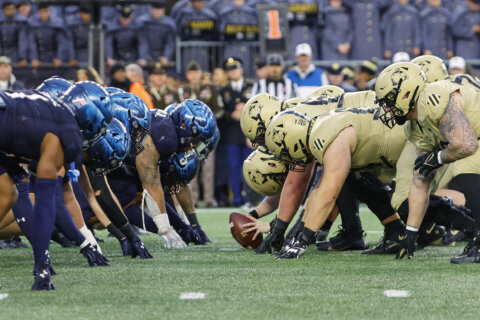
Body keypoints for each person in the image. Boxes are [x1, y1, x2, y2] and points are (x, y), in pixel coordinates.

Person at [375, 61, 480, 263]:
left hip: (474, 141)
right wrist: (411, 232)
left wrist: (438, 157)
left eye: (388, 101)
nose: (387, 108)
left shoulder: (432, 97)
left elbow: (466, 144)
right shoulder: (414, 127)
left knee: (464, 167)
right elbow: (421, 177)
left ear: (406, 94)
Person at [178, 61, 220, 207]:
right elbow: (176, 111)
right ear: (188, 75)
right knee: (191, 167)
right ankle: (193, 199)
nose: (194, 76)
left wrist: (207, 121)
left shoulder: (210, 89)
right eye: (191, 73)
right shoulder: (182, 90)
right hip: (189, 136)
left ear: (200, 74)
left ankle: (209, 198)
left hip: (206, 135)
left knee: (208, 167)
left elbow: (219, 109)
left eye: (196, 73)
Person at [218, 57, 255, 207]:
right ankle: (237, 199)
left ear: (241, 69)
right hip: (231, 133)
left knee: (250, 166)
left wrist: (244, 110)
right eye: (229, 69)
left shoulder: (252, 86)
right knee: (233, 167)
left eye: (235, 68)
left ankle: (250, 198)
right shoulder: (223, 90)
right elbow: (221, 111)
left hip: (249, 132)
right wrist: (231, 114)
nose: (232, 72)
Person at [175, 0, 217, 73]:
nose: (197, 4)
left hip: (203, 46)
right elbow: (178, 28)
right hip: (188, 45)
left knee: (203, 68)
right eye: (195, 2)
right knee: (187, 68)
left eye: (199, 2)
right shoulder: (184, 12)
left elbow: (214, 30)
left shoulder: (209, 14)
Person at [218, 0, 258, 78]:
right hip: (231, 45)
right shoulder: (226, 13)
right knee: (229, 68)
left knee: (246, 68)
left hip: (245, 46)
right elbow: (221, 30)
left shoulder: (250, 12)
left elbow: (255, 30)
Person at [27, 3, 69, 68]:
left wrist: (60, 58)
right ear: (38, 12)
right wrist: (34, 58)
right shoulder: (33, 25)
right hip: (39, 58)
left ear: (49, 11)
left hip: (54, 59)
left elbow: (61, 43)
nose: (44, 14)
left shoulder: (57, 24)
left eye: (46, 11)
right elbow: (32, 43)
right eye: (41, 12)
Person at [139, 1, 176, 66]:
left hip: (162, 56)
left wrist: (166, 57)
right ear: (150, 9)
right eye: (154, 9)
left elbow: (170, 42)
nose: (156, 12)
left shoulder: (169, 24)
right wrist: (143, 56)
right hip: (147, 56)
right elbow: (142, 41)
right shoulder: (143, 22)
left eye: (159, 10)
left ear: (163, 10)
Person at [0, 1, 28, 66]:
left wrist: (22, 57)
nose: (11, 11)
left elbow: (22, 41)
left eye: (13, 9)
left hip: (16, 55)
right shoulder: (1, 22)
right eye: (8, 9)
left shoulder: (20, 22)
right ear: (4, 10)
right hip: (2, 54)